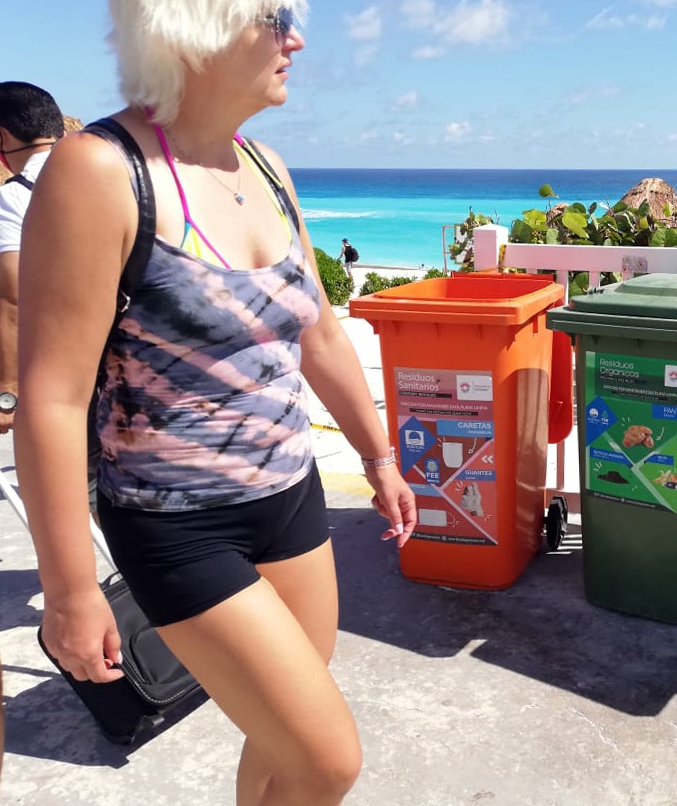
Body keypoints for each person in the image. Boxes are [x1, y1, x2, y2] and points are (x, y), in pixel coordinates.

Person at [15, 3, 416, 805]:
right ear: (190, 25)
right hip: (175, 525)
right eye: (274, 17)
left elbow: (322, 335)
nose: (296, 38)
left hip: (291, 495)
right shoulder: (98, 169)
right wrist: (68, 592)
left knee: (279, 743)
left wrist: (379, 458)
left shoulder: (265, 166)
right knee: (327, 758)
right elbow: (51, 399)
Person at [0, 80, 65, 791]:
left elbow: (14, 303)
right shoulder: (102, 169)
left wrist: (11, 394)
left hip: (57, 381)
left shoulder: (14, 195)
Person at [0, 82, 64, 436]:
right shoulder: (114, 176)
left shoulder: (13, 198)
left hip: (64, 376)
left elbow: (12, 294)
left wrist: (7, 392)